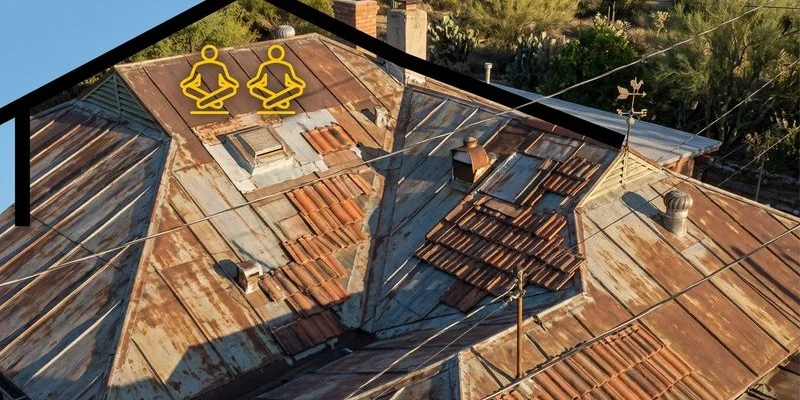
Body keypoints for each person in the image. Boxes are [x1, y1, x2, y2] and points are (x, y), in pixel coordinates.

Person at [247, 44, 306, 115]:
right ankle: (279, 102)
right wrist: (300, 84)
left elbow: (257, 80)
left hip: (271, 94)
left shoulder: (267, 65)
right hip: (278, 94)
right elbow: (294, 80)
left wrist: (251, 84)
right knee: (298, 89)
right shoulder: (285, 65)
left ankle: (272, 102)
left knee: (253, 88)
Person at [180, 44, 239, 114]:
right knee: (232, 88)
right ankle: (212, 101)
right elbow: (228, 80)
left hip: (207, 94)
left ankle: (205, 102)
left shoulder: (199, 65)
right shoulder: (219, 65)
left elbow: (190, 80)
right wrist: (234, 84)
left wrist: (185, 84)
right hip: (209, 93)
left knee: (186, 88)